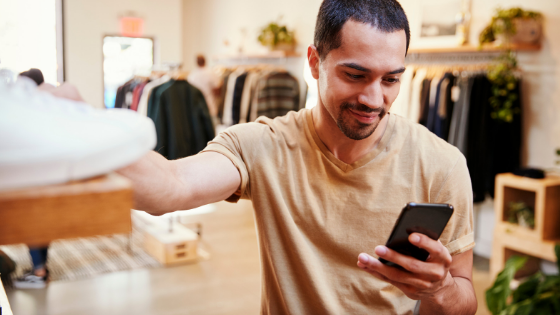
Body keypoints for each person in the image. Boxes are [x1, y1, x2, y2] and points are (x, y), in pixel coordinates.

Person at [119, 0, 477, 314]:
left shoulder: (441, 164)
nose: (373, 99)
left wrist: (439, 290)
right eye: (355, 75)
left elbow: (464, 300)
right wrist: (76, 128)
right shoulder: (263, 145)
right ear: (314, 62)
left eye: (390, 80)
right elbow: (170, 187)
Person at [187, 54, 221, 119]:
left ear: (196, 62)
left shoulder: (192, 75)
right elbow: (217, 90)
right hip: (210, 104)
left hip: (196, 106)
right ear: (205, 61)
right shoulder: (211, 73)